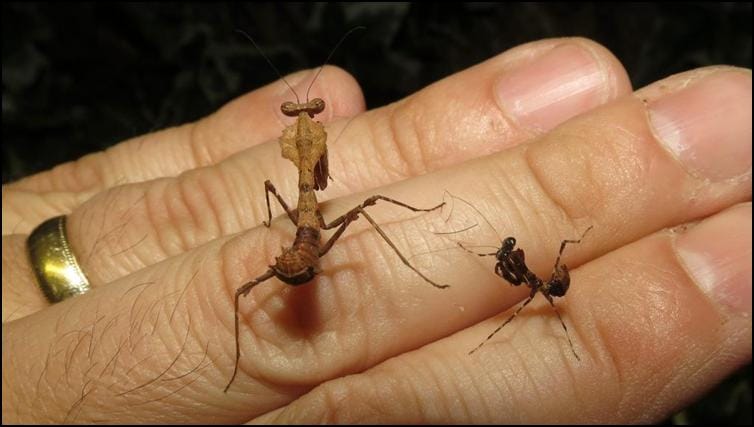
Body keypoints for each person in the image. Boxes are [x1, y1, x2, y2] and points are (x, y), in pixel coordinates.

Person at [3, 37, 751, 424]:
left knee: (256, 264)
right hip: (301, 252)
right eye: (303, 124)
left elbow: (303, 184)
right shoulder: (306, 179)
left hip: (295, 246)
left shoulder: (293, 161)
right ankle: (392, 247)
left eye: (306, 120)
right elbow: (316, 191)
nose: (306, 123)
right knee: (355, 216)